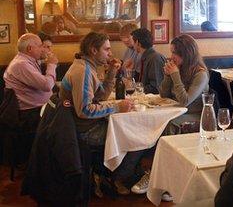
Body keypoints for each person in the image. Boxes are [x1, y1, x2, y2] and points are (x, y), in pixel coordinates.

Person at [129, 34, 209, 196]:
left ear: (186, 54)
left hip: (195, 115)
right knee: (151, 123)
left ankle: (163, 178)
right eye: (171, 52)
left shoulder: (200, 74)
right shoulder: (178, 68)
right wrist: (167, 76)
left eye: (175, 53)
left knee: (168, 125)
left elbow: (185, 101)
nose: (171, 56)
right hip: (175, 111)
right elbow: (164, 94)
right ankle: (155, 173)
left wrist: (175, 76)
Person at [59, 32, 136, 195]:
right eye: (107, 49)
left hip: (83, 124)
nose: (110, 53)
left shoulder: (87, 66)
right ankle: (115, 177)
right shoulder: (83, 71)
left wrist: (112, 72)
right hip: (81, 130)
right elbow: (85, 110)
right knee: (132, 136)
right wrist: (117, 107)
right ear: (94, 50)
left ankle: (104, 174)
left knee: (128, 131)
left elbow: (101, 97)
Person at [3, 33, 58, 162]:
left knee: (64, 113)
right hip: (29, 116)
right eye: (40, 46)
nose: (43, 49)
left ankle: (52, 162)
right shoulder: (21, 64)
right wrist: (51, 65)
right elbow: (47, 86)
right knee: (66, 120)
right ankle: (49, 164)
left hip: (36, 111)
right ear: (30, 49)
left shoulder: (28, 61)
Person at [131, 28, 166, 94]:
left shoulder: (155, 58)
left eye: (133, 42)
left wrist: (134, 88)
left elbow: (156, 87)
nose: (133, 45)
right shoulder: (146, 57)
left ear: (138, 43)